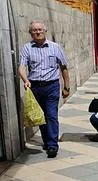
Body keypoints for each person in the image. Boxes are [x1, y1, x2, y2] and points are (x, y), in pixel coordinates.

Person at [18, 21, 70, 158]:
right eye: (34, 30)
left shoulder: (55, 47)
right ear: (31, 33)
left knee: (51, 115)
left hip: (52, 86)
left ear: (45, 31)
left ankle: (53, 145)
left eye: (40, 29)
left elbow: (63, 67)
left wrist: (66, 87)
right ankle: (47, 141)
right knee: (41, 116)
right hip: (35, 87)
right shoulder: (27, 48)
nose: (37, 32)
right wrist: (26, 80)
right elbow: (21, 67)